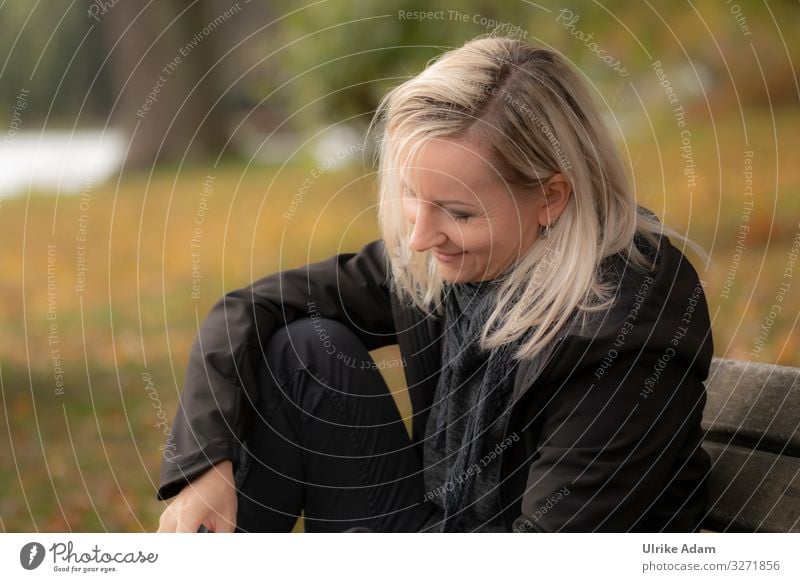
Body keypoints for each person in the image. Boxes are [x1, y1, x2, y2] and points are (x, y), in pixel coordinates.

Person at [156, 35, 714, 533]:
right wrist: (205, 466)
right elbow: (247, 309)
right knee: (300, 355)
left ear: (550, 196)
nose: (421, 237)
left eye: (457, 212)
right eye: (410, 195)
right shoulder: (462, 260)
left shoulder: (628, 330)